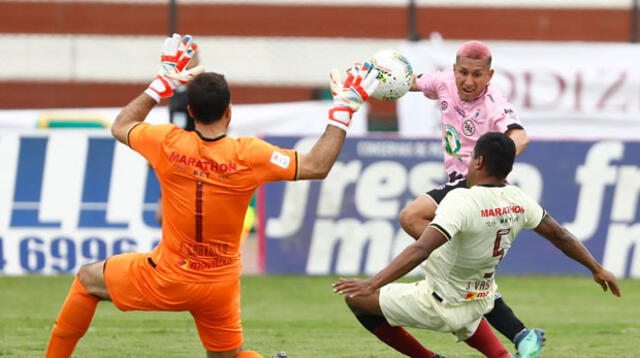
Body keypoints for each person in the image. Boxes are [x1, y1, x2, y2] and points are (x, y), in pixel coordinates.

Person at [44, 33, 379, 358]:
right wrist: (343, 111)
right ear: (229, 111)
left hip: (168, 275)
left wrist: (161, 83)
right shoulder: (249, 154)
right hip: (219, 284)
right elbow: (316, 166)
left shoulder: (167, 142)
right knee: (227, 356)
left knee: (88, 279)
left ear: (190, 111)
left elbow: (120, 125)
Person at [333, 132, 621, 358]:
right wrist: (597, 268)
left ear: (479, 162)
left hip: (441, 300)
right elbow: (561, 236)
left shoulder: (462, 200)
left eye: (471, 159)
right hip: (482, 297)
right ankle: (517, 340)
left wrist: (372, 283)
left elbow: (420, 248)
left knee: (356, 301)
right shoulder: (519, 198)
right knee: (471, 306)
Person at [398, 40, 542, 357]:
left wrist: (493, 161)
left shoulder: (494, 103)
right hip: (455, 182)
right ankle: (521, 334)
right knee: (466, 276)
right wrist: (372, 80)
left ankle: (462, 279)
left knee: (411, 217)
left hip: (479, 184)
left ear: (489, 75)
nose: (468, 81)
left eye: (477, 75)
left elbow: (520, 136)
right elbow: (409, 81)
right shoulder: (443, 81)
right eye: (463, 72)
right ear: (454, 69)